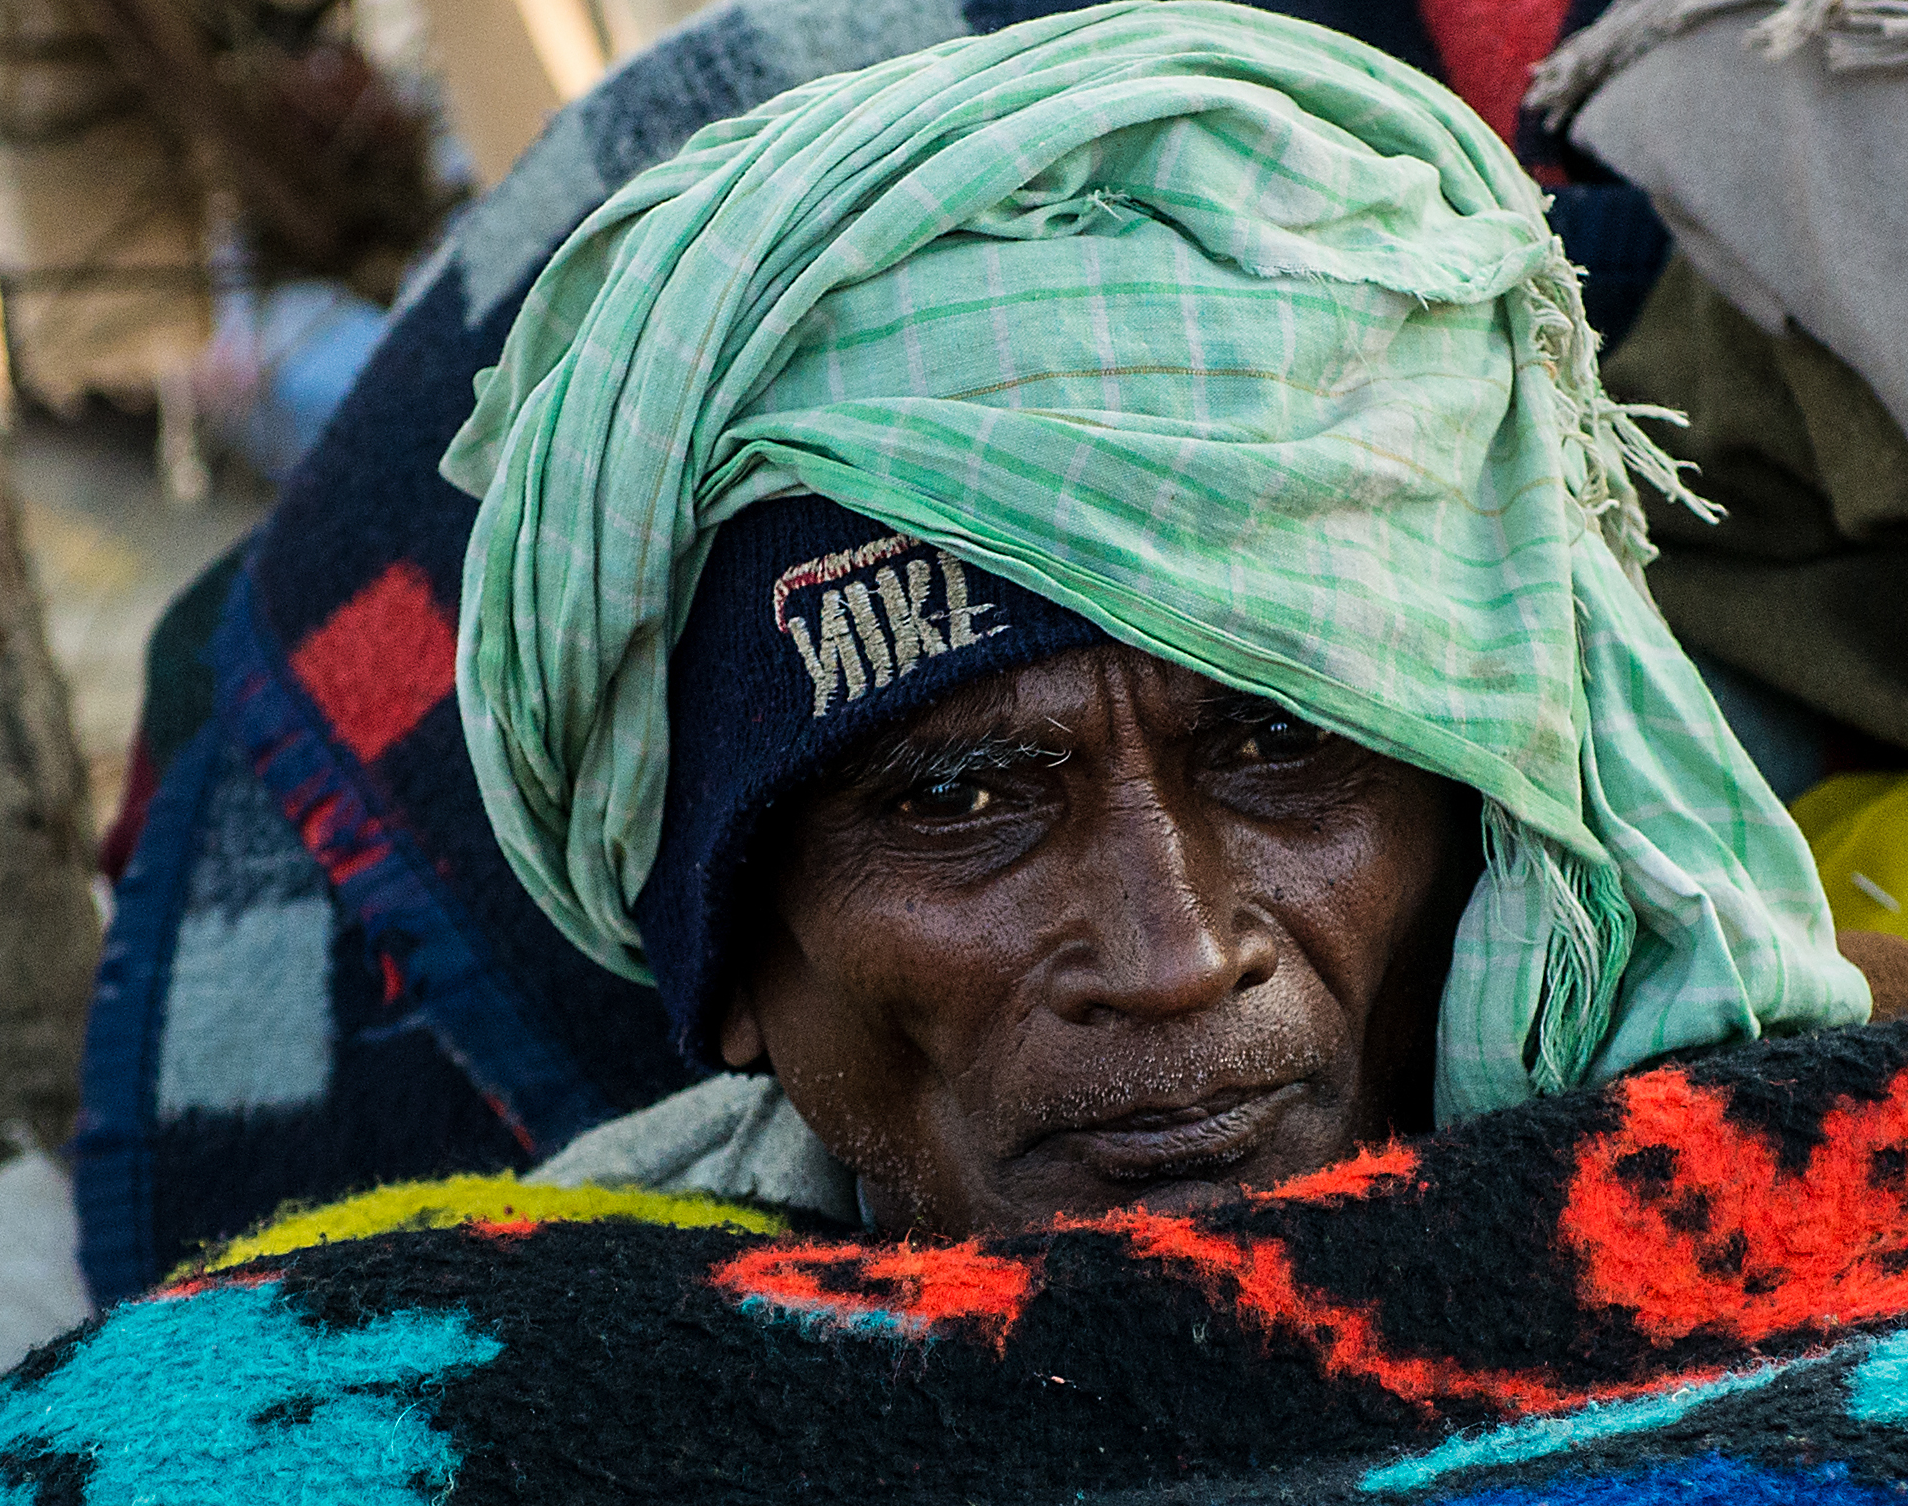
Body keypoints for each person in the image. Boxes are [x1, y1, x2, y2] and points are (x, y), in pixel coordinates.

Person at [444, 0, 1889, 1239]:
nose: (1176, 953)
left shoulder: (1833, 1206)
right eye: (956, 794)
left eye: (1279, 737)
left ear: (1491, 831)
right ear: (725, 948)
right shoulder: (484, 1350)